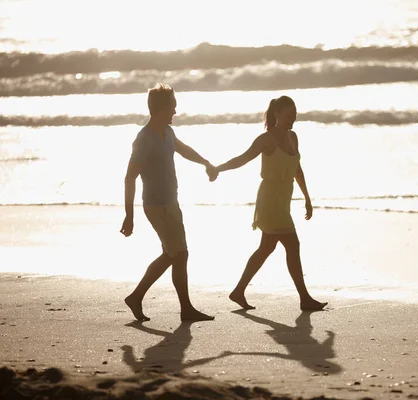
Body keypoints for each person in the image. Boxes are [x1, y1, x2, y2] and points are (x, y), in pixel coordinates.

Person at [214, 95, 327, 311]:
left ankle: (238, 291)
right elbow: (243, 158)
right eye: (288, 115)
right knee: (292, 245)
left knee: (266, 247)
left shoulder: (293, 137)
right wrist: (218, 168)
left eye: (295, 114)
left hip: (283, 200)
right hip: (269, 201)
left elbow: (297, 168)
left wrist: (307, 197)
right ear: (276, 114)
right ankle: (304, 298)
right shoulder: (266, 139)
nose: (292, 119)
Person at [120, 83, 217, 322]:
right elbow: (130, 177)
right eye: (173, 105)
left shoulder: (168, 133)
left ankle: (137, 297)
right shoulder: (144, 139)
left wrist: (206, 162)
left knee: (173, 253)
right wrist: (129, 216)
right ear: (163, 108)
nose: (176, 110)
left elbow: (183, 150)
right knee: (179, 254)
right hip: (155, 205)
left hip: (171, 202)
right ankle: (184, 309)